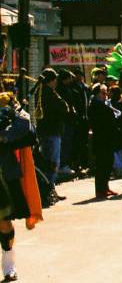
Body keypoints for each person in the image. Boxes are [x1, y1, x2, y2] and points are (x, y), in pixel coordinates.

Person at [0, 92, 43, 282]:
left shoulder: (7, 103)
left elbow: (24, 123)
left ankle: (8, 264)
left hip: (3, 171)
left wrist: (3, 136)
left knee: (3, 222)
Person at [34, 68, 70, 202]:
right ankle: (49, 189)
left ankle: (49, 188)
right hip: (52, 131)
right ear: (52, 81)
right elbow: (64, 106)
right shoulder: (50, 93)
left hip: (44, 130)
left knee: (46, 161)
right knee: (53, 162)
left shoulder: (40, 92)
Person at [87, 83, 122, 199]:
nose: (106, 95)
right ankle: (100, 190)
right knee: (102, 165)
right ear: (97, 94)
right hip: (101, 139)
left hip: (107, 139)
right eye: (103, 92)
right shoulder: (96, 105)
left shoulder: (103, 104)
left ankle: (105, 187)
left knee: (108, 163)